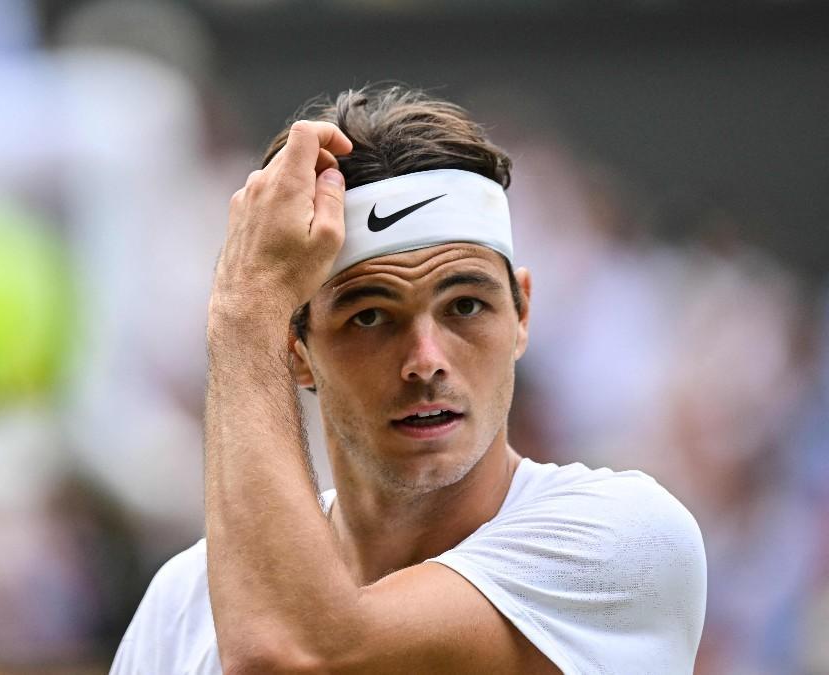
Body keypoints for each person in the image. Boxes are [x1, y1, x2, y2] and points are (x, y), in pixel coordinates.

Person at [111, 85, 707, 674]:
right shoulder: (183, 603)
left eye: (466, 306)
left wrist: (245, 312)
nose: (425, 359)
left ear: (521, 315)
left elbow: (294, 653)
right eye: (370, 316)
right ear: (295, 350)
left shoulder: (625, 540)